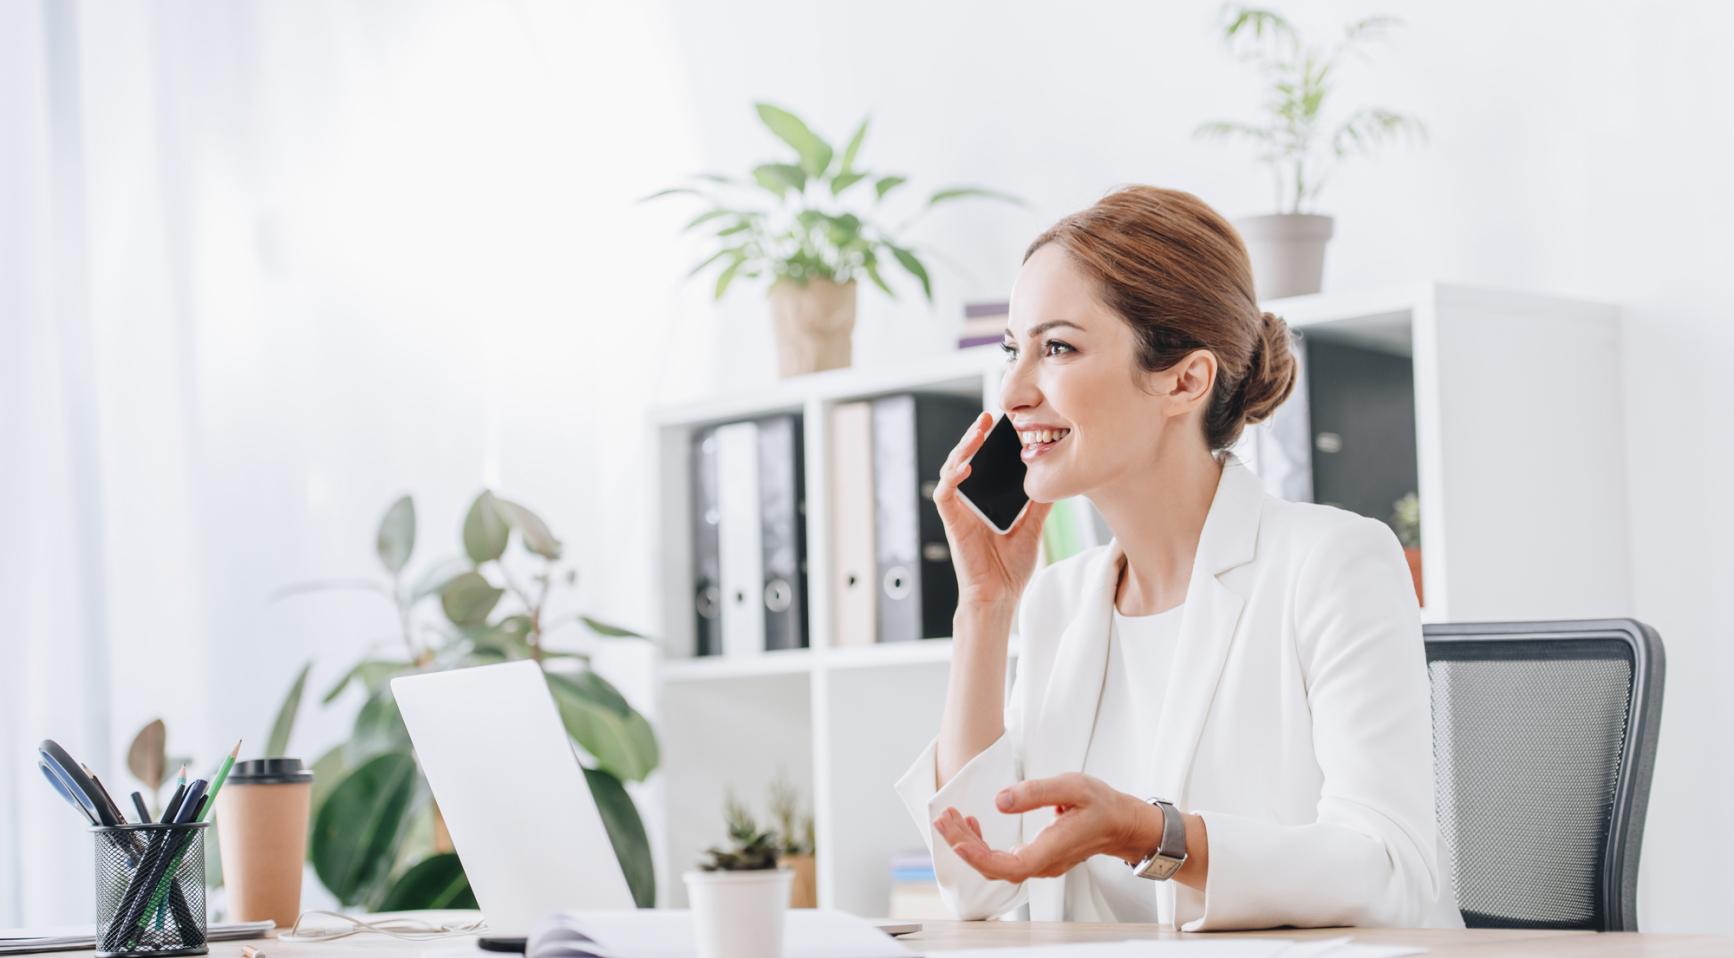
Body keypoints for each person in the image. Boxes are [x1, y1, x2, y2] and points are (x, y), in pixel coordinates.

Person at [893, 186, 1461, 930]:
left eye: (1056, 347)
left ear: (1185, 380)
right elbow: (977, 886)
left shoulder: (1332, 564)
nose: (1013, 391)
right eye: (1013, 349)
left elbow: (1391, 873)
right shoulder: (1061, 600)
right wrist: (985, 607)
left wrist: (1153, 834)